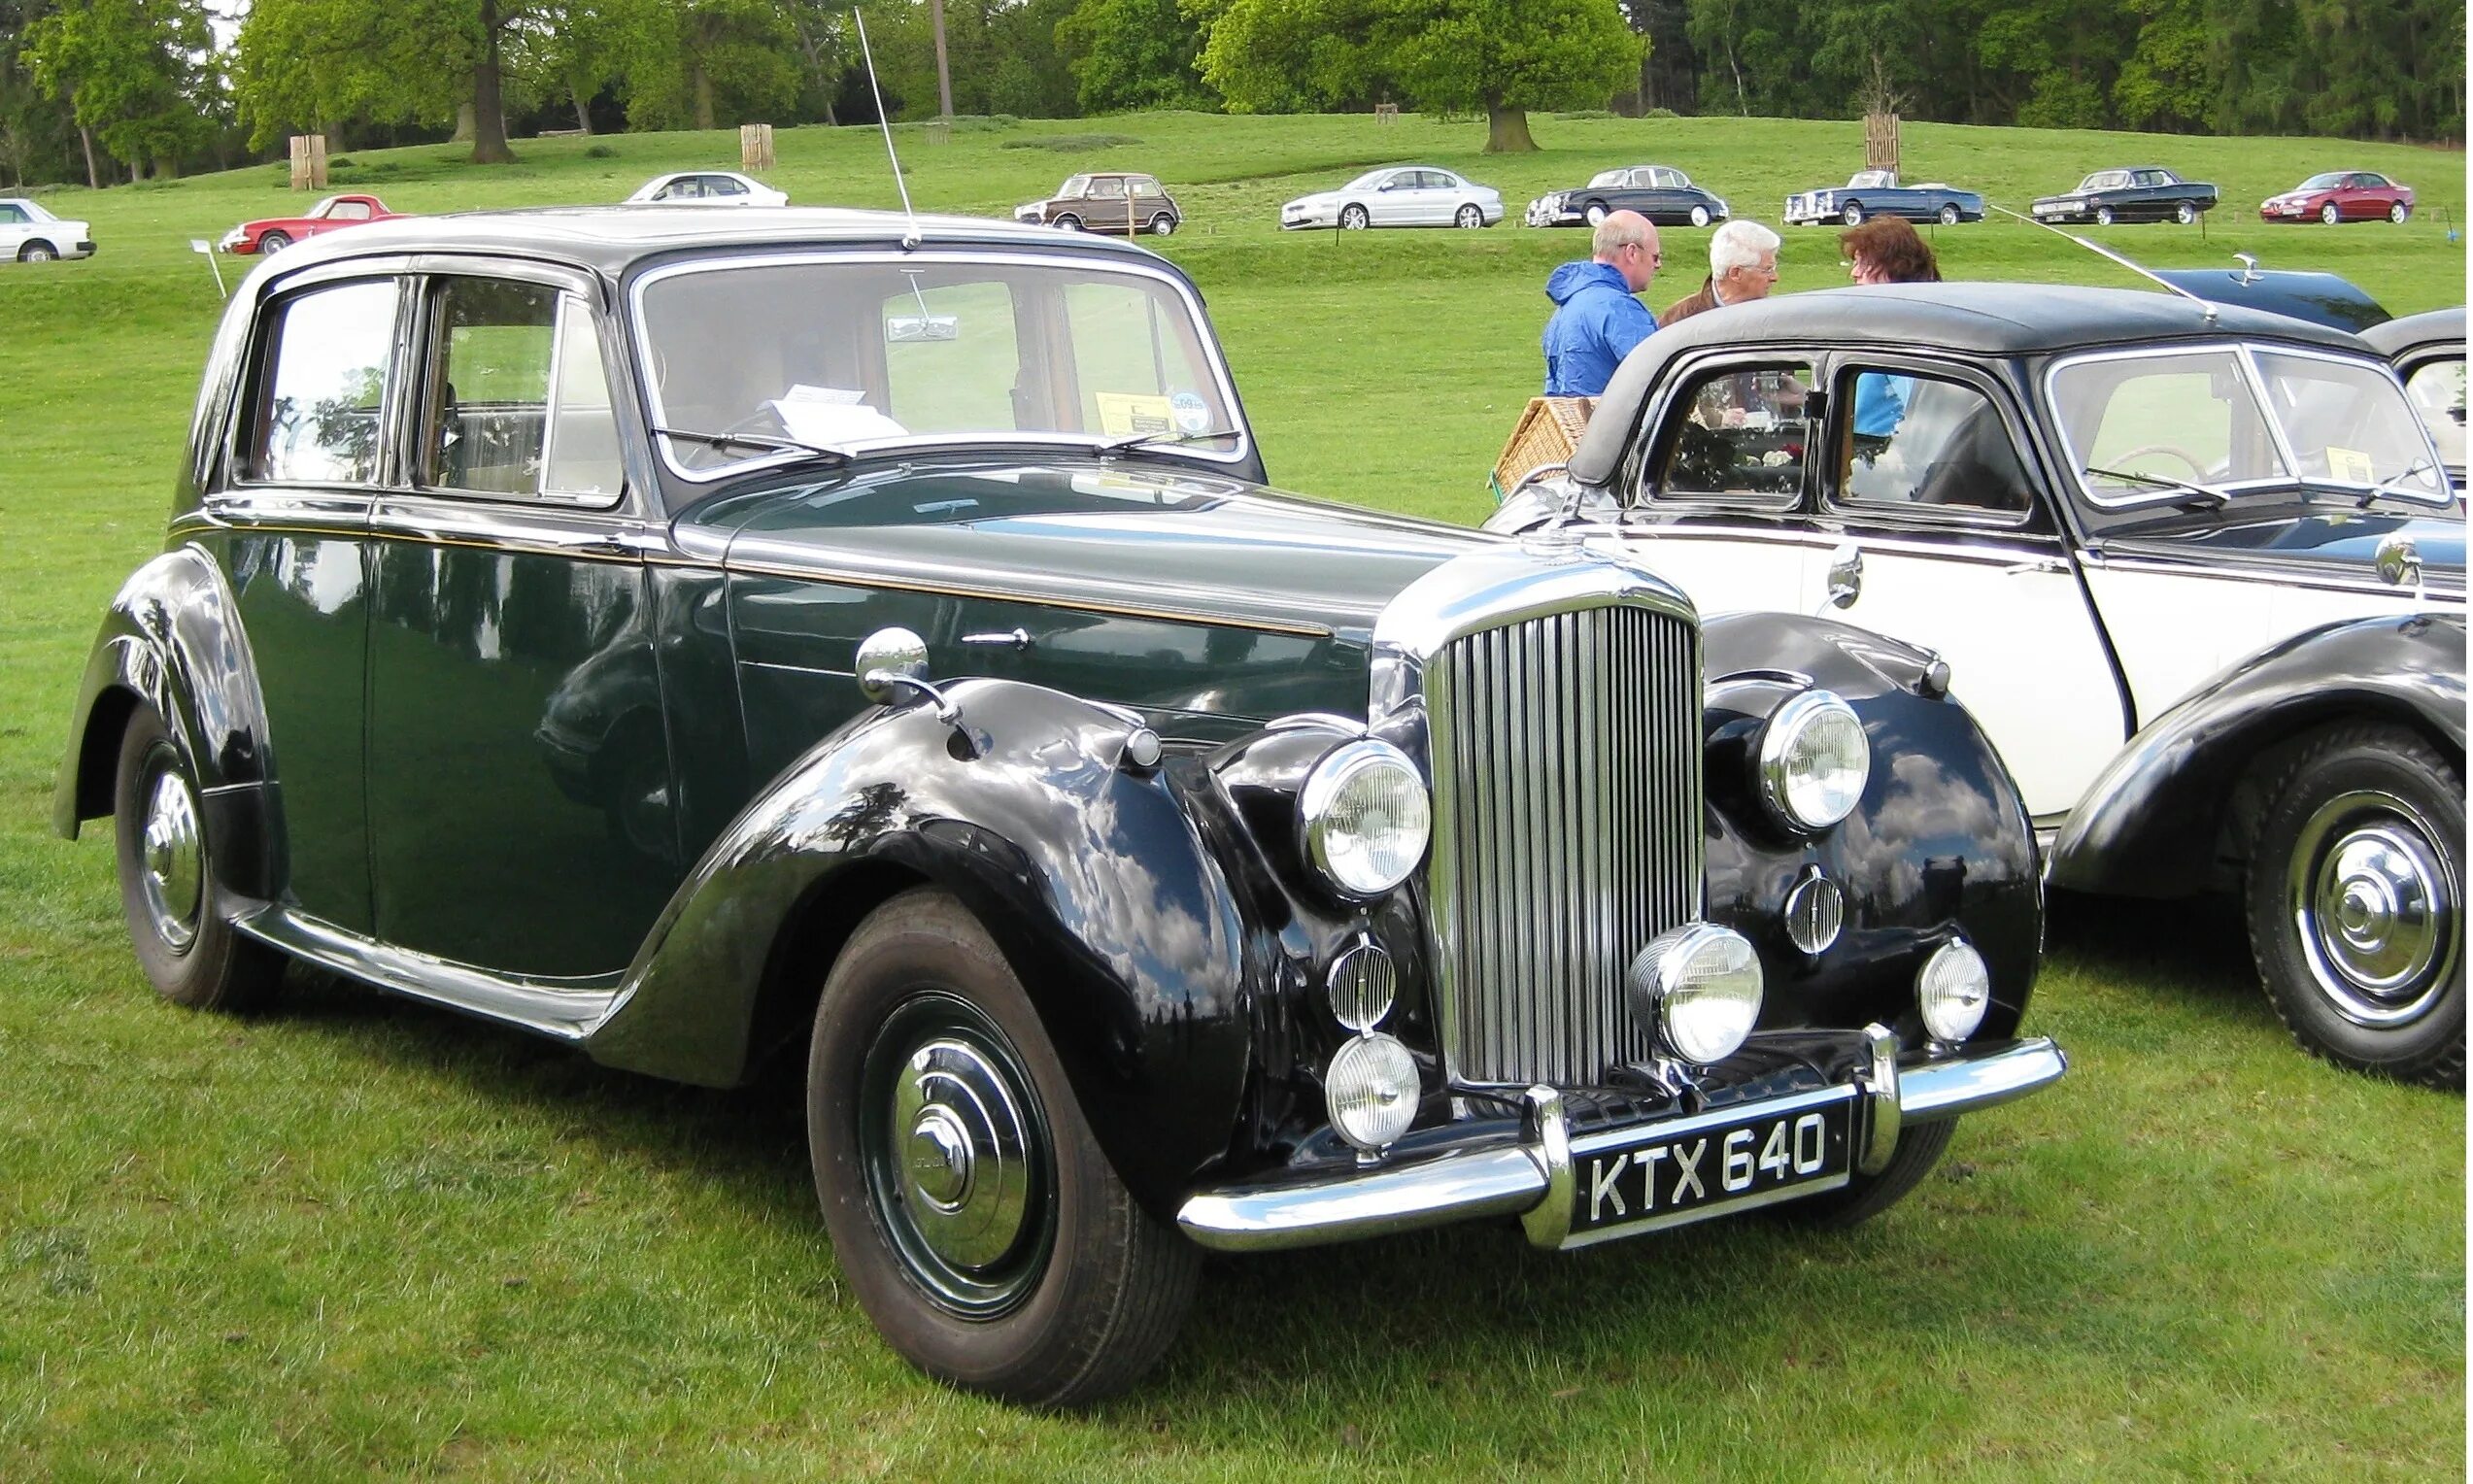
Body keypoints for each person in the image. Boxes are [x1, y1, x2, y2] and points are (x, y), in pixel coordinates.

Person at [1841, 217, 1941, 442]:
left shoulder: (1902, 330)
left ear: (1895, 266)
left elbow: (1918, 407)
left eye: (1863, 264)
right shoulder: (1895, 322)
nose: (1854, 273)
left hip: (1881, 456)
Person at [1541, 211, 1660, 396]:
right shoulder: (1620, 309)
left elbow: (1554, 396)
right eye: (1655, 257)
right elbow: (1660, 379)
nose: (1658, 265)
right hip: (1614, 423)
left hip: (1577, 423)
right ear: (1632, 253)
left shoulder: (1563, 312)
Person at [1658, 219, 1781, 327]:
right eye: (1768, 270)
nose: (1775, 278)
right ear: (1736, 273)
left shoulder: (1776, 317)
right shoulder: (1679, 321)